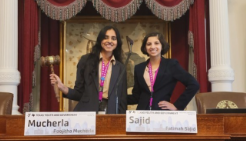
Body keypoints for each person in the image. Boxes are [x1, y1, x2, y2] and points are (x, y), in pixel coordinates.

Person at [50, 26, 127, 114]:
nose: (109, 41)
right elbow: (78, 93)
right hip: (87, 113)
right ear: (100, 40)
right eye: (106, 38)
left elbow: (122, 100)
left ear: (117, 42)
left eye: (113, 38)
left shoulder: (121, 68)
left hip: (111, 114)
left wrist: (122, 121)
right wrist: (62, 87)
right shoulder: (86, 61)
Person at [127, 32, 199, 110]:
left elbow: (194, 84)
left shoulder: (171, 65)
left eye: (156, 43)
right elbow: (136, 97)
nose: (152, 46)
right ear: (145, 48)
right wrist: (115, 98)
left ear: (162, 46)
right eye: (149, 44)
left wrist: (177, 106)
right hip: (141, 115)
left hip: (162, 114)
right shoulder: (139, 68)